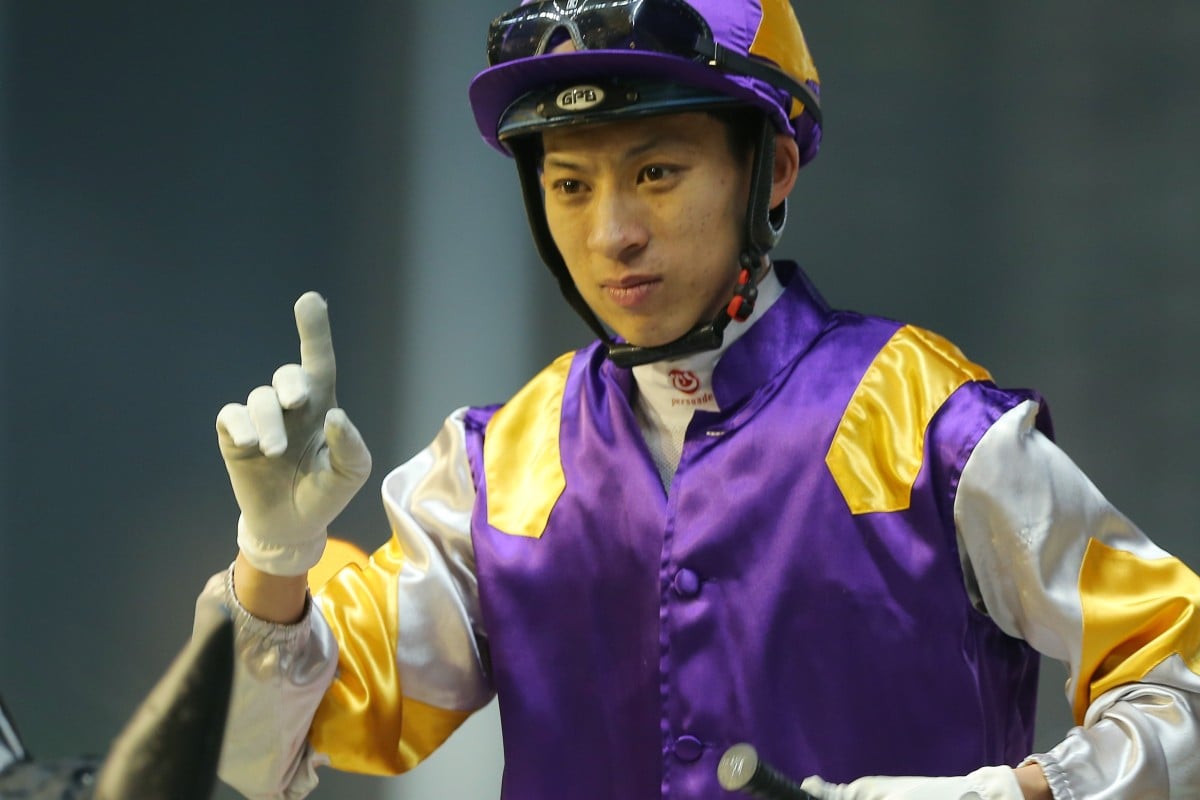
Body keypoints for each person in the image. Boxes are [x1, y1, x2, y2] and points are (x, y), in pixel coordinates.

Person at [194, 1, 1200, 798]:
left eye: (658, 172)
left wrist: (1014, 792)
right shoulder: (501, 465)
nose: (613, 232)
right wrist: (273, 561)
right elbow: (256, 754)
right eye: (572, 186)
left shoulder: (925, 421)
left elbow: (1182, 683)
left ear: (774, 171)